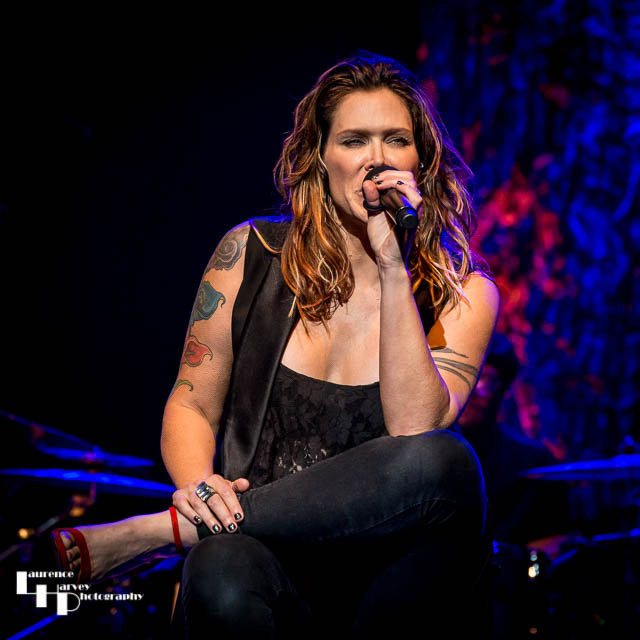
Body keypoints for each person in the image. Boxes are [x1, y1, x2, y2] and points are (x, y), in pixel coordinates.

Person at [51, 53, 500, 638]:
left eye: (396, 140)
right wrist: (199, 487)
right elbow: (191, 403)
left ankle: (165, 533)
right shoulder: (251, 255)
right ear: (320, 157)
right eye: (354, 141)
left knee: (447, 461)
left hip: (386, 581)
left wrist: (394, 263)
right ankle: (204, 532)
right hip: (264, 562)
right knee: (218, 563)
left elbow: (415, 429)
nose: (378, 159)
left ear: (422, 160)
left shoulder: (462, 292)